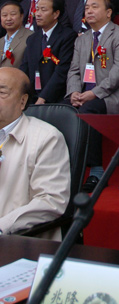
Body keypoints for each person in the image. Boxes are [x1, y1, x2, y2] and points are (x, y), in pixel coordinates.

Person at [66, 0, 119, 192]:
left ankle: (96, 171)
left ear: (109, 12)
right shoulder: (82, 39)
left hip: (109, 95)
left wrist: (94, 93)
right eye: (87, 7)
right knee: (63, 110)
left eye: (94, 7)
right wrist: (74, 91)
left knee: (88, 110)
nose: (89, 11)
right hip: (83, 94)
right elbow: (74, 71)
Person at [0, 68, 70, 238]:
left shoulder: (46, 138)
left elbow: (50, 200)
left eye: (1, 93)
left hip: (18, 242)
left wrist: (2, 227)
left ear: (22, 101)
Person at [20, 0, 76, 103]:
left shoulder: (67, 36)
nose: (38, 14)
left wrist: (44, 97)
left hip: (56, 98)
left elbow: (62, 71)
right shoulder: (32, 39)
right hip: (33, 96)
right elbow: (25, 67)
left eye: (43, 10)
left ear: (56, 14)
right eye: (37, 9)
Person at [0, 2, 32, 69]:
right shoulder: (1, 41)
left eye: (13, 14)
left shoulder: (30, 37)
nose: (8, 18)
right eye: (4, 15)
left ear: (21, 16)